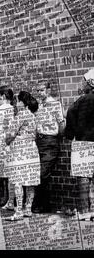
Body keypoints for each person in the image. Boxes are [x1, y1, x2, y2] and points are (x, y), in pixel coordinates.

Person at [4, 91, 40, 221]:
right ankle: (28, 209)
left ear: (22, 102)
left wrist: (7, 140)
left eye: (17, 101)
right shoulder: (31, 114)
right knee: (30, 181)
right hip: (32, 149)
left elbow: (10, 134)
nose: (15, 104)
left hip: (20, 149)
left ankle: (18, 210)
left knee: (18, 180)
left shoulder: (21, 115)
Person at [65, 69, 94, 220]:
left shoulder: (81, 101)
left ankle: (84, 211)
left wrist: (71, 134)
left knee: (83, 177)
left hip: (83, 142)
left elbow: (70, 114)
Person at [33, 80, 65, 213]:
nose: (40, 93)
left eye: (42, 90)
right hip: (39, 142)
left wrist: (55, 138)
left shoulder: (55, 104)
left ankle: (37, 204)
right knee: (39, 174)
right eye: (38, 91)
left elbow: (62, 124)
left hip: (50, 141)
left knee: (42, 173)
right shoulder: (39, 105)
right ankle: (45, 205)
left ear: (48, 90)